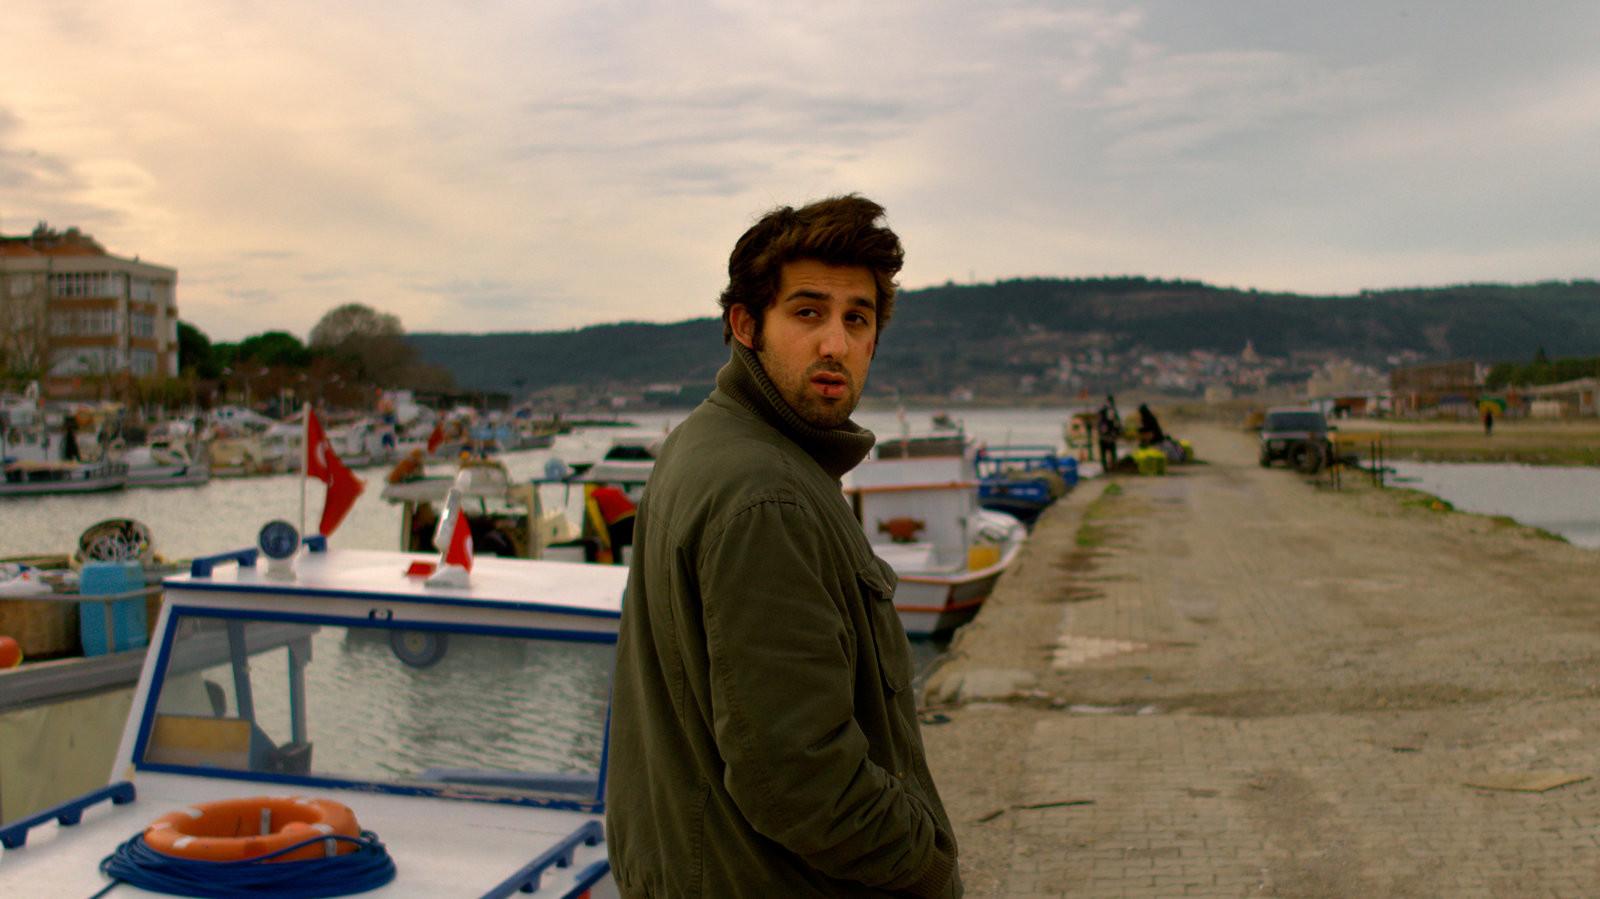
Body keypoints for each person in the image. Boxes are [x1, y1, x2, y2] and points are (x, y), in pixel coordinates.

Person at [607, 195, 961, 898]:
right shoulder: (766, 494)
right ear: (746, 325)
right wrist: (929, 863)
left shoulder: (709, 442)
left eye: (856, 319)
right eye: (807, 312)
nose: (835, 343)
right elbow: (797, 776)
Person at [1096, 402, 1119, 469]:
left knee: (1104, 455)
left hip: (1104, 440)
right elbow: (1115, 429)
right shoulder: (1109, 421)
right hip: (1109, 439)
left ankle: (1106, 467)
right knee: (1112, 454)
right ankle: (1113, 466)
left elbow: (1102, 431)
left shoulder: (1101, 422)